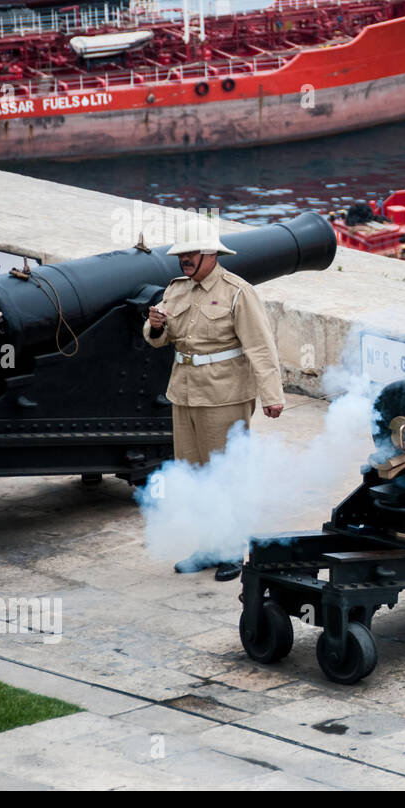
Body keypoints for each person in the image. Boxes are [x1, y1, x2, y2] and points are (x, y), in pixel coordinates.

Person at [143, 222, 285, 581]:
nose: (184, 261)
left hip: (224, 395)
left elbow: (260, 347)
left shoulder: (238, 292)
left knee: (225, 473)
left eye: (191, 254)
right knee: (193, 473)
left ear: (211, 255)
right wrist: (156, 325)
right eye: (181, 255)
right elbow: (159, 339)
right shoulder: (175, 291)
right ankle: (206, 545)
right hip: (185, 392)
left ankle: (232, 549)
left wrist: (272, 395)